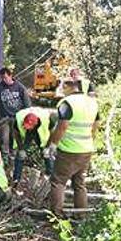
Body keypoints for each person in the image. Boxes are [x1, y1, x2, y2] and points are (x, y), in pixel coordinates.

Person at [44, 78, 100, 217]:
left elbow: (62, 126)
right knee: (79, 183)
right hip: (86, 149)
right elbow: (96, 125)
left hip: (69, 150)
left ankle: (56, 215)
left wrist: (52, 145)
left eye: (63, 87)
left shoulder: (67, 103)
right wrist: (89, 140)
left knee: (58, 182)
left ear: (70, 87)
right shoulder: (92, 103)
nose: (62, 90)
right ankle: (81, 214)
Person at [0, 68, 31, 158]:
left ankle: (14, 153)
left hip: (17, 118)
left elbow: (27, 103)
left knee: (15, 137)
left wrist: (26, 117)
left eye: (5, 78)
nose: (4, 80)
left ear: (11, 76)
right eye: (2, 78)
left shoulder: (20, 87)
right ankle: (5, 156)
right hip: (4, 118)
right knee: (4, 137)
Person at [12, 106, 57, 181]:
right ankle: (16, 179)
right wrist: (21, 148)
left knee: (47, 154)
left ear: (35, 124)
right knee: (20, 155)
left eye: (29, 127)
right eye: (25, 125)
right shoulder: (19, 119)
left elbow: (52, 132)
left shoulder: (47, 119)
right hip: (27, 134)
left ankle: (51, 176)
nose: (26, 127)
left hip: (40, 133)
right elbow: (16, 133)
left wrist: (47, 147)